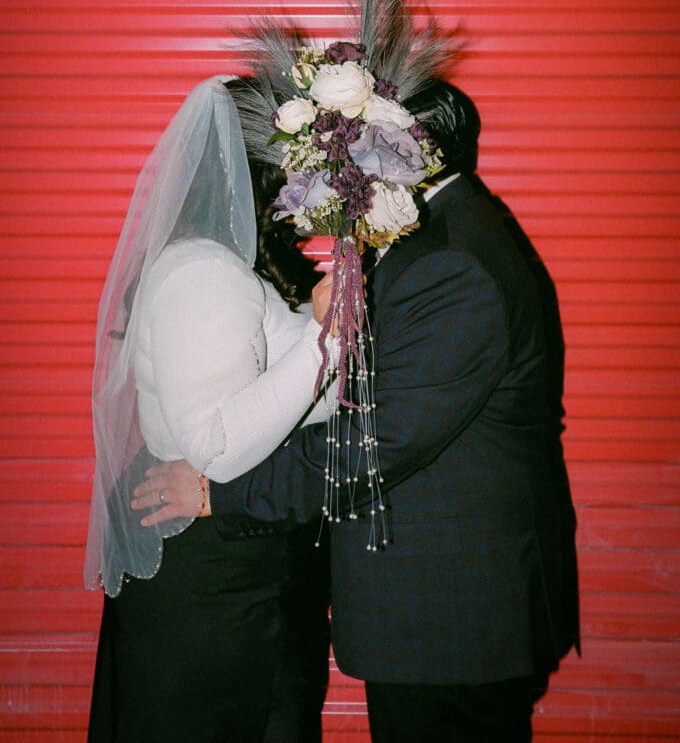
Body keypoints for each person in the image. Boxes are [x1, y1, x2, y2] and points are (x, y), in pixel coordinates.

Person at [137, 75, 579, 742]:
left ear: (407, 150)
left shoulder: (451, 263)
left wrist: (218, 494)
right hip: (446, 617)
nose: (344, 160)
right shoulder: (440, 240)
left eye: (363, 139)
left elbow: (378, 442)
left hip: (451, 620)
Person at [84, 76, 335, 742]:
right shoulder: (204, 274)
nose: (304, 189)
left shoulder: (227, 265)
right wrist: (327, 339)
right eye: (296, 169)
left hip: (233, 567)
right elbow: (216, 446)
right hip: (216, 583)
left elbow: (294, 400)